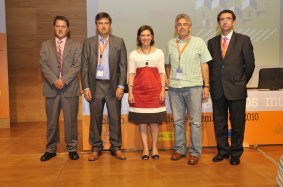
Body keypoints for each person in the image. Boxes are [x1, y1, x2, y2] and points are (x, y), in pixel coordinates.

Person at [208, 9, 255, 166]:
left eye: (228, 19)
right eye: (222, 19)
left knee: (237, 123)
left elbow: (250, 65)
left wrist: (241, 81)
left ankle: (235, 153)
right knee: (219, 122)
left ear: (233, 22)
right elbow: (210, 66)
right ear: (218, 23)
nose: (225, 21)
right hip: (218, 89)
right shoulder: (212, 42)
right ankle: (222, 150)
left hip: (236, 89)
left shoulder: (243, 40)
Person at [165, 13, 212, 165]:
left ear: (190, 27)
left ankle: (195, 152)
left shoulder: (199, 42)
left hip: (194, 87)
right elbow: (168, 65)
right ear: (175, 27)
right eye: (179, 24)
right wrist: (169, 78)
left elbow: (204, 65)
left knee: (195, 122)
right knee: (178, 121)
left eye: (185, 24)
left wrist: (206, 86)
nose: (182, 27)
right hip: (175, 88)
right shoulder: (170, 43)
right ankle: (179, 149)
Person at [81, 12, 127, 161]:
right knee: (95, 118)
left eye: (106, 23)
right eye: (100, 23)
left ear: (110, 25)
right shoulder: (88, 43)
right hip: (95, 85)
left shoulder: (119, 42)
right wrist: (86, 87)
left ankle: (116, 147)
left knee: (115, 117)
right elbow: (84, 67)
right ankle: (96, 147)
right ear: (96, 26)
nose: (103, 26)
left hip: (113, 85)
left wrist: (121, 85)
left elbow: (123, 66)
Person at [40, 16, 81, 161]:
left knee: (71, 121)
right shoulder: (45, 45)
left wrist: (63, 80)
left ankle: (72, 148)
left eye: (63, 26)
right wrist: (55, 80)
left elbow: (77, 65)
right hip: (51, 89)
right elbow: (43, 65)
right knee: (51, 122)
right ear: (54, 27)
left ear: (68, 29)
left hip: (69, 89)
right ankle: (50, 149)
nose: (60, 29)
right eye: (58, 26)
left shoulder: (75, 45)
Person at [128, 25, 166, 160]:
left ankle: (155, 148)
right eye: (143, 35)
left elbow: (162, 73)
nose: (145, 38)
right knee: (143, 122)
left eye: (148, 35)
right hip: (139, 92)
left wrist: (163, 90)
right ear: (139, 37)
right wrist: (131, 93)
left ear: (152, 37)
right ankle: (145, 149)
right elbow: (131, 74)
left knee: (154, 122)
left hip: (155, 92)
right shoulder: (133, 54)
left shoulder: (159, 53)